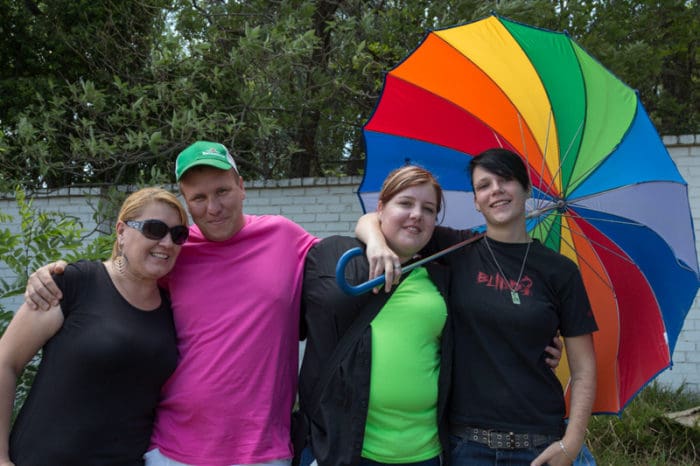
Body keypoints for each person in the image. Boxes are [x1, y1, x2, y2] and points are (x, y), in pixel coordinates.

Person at [296, 166, 562, 466]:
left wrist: (532, 340)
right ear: (381, 207)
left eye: (429, 209)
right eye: (405, 203)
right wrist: (375, 242)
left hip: (426, 453)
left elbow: (487, 317)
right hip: (340, 450)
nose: (417, 215)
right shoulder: (332, 256)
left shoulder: (447, 272)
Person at [357, 148, 598, 466]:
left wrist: (572, 443)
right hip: (467, 447)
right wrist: (375, 242)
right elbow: (378, 219)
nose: (495, 190)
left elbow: (584, 369)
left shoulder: (561, 271)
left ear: (526, 189)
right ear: (476, 201)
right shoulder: (455, 249)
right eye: (484, 185)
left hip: (539, 443)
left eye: (506, 180)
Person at [0, 187, 188, 465]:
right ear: (121, 232)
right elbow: (5, 361)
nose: (167, 242)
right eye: (154, 229)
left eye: (178, 234)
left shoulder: (173, 309)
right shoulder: (74, 283)